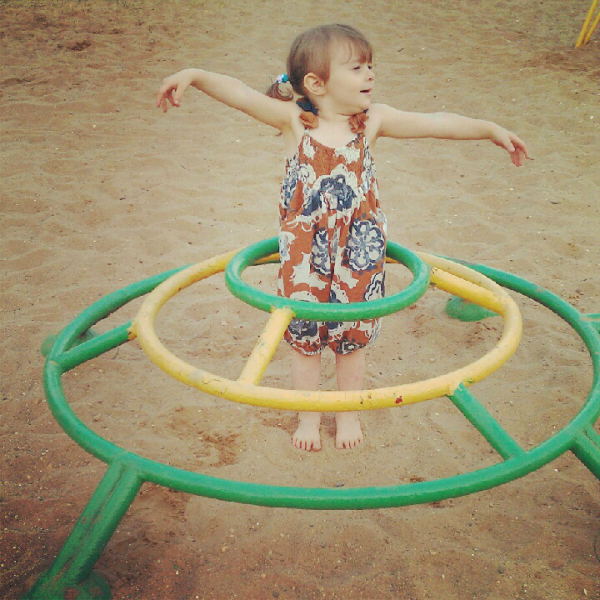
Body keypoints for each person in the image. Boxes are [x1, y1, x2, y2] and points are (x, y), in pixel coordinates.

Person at [156, 24, 529, 452]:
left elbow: (435, 122)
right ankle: (308, 417)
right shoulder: (293, 121)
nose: (370, 73)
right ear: (317, 83)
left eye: (370, 65)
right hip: (303, 253)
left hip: (360, 251)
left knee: (351, 338)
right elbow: (238, 92)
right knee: (305, 337)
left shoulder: (372, 122)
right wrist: (194, 76)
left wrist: (488, 129)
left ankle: (348, 411)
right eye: (356, 67)